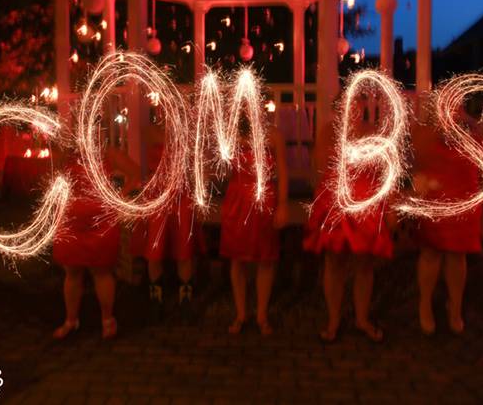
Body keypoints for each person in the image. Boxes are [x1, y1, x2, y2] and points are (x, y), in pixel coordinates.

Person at [304, 102, 393, 343]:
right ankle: (334, 319)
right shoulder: (328, 131)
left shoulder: (372, 131)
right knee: (334, 262)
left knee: (364, 263)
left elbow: (383, 170)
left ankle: (362, 318)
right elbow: (320, 166)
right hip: (336, 203)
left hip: (364, 205)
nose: (351, 109)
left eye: (356, 105)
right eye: (345, 105)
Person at [410, 114, 483, 336]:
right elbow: (413, 160)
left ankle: (455, 307)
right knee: (431, 253)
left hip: (462, 197)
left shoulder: (472, 129)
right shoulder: (424, 130)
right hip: (434, 198)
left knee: (457, 255)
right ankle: (425, 305)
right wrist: (418, 179)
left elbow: (481, 161)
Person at [52, 150, 139, 340]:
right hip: (71, 221)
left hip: (100, 222)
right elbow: (52, 175)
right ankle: (71, 321)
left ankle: (107, 320)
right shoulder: (68, 154)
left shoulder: (108, 153)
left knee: (101, 271)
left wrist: (118, 198)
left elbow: (135, 173)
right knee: (72, 272)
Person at [130, 110, 205, 321]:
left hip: (182, 195)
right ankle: (156, 297)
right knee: (155, 248)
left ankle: (185, 298)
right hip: (158, 195)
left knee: (184, 248)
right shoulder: (150, 131)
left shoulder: (187, 133)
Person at [220, 114, 288, 336]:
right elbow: (221, 168)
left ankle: (261, 314)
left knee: (265, 258)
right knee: (237, 259)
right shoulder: (232, 134)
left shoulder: (274, 135)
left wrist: (283, 205)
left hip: (264, 197)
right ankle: (241, 313)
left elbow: (283, 174)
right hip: (237, 199)